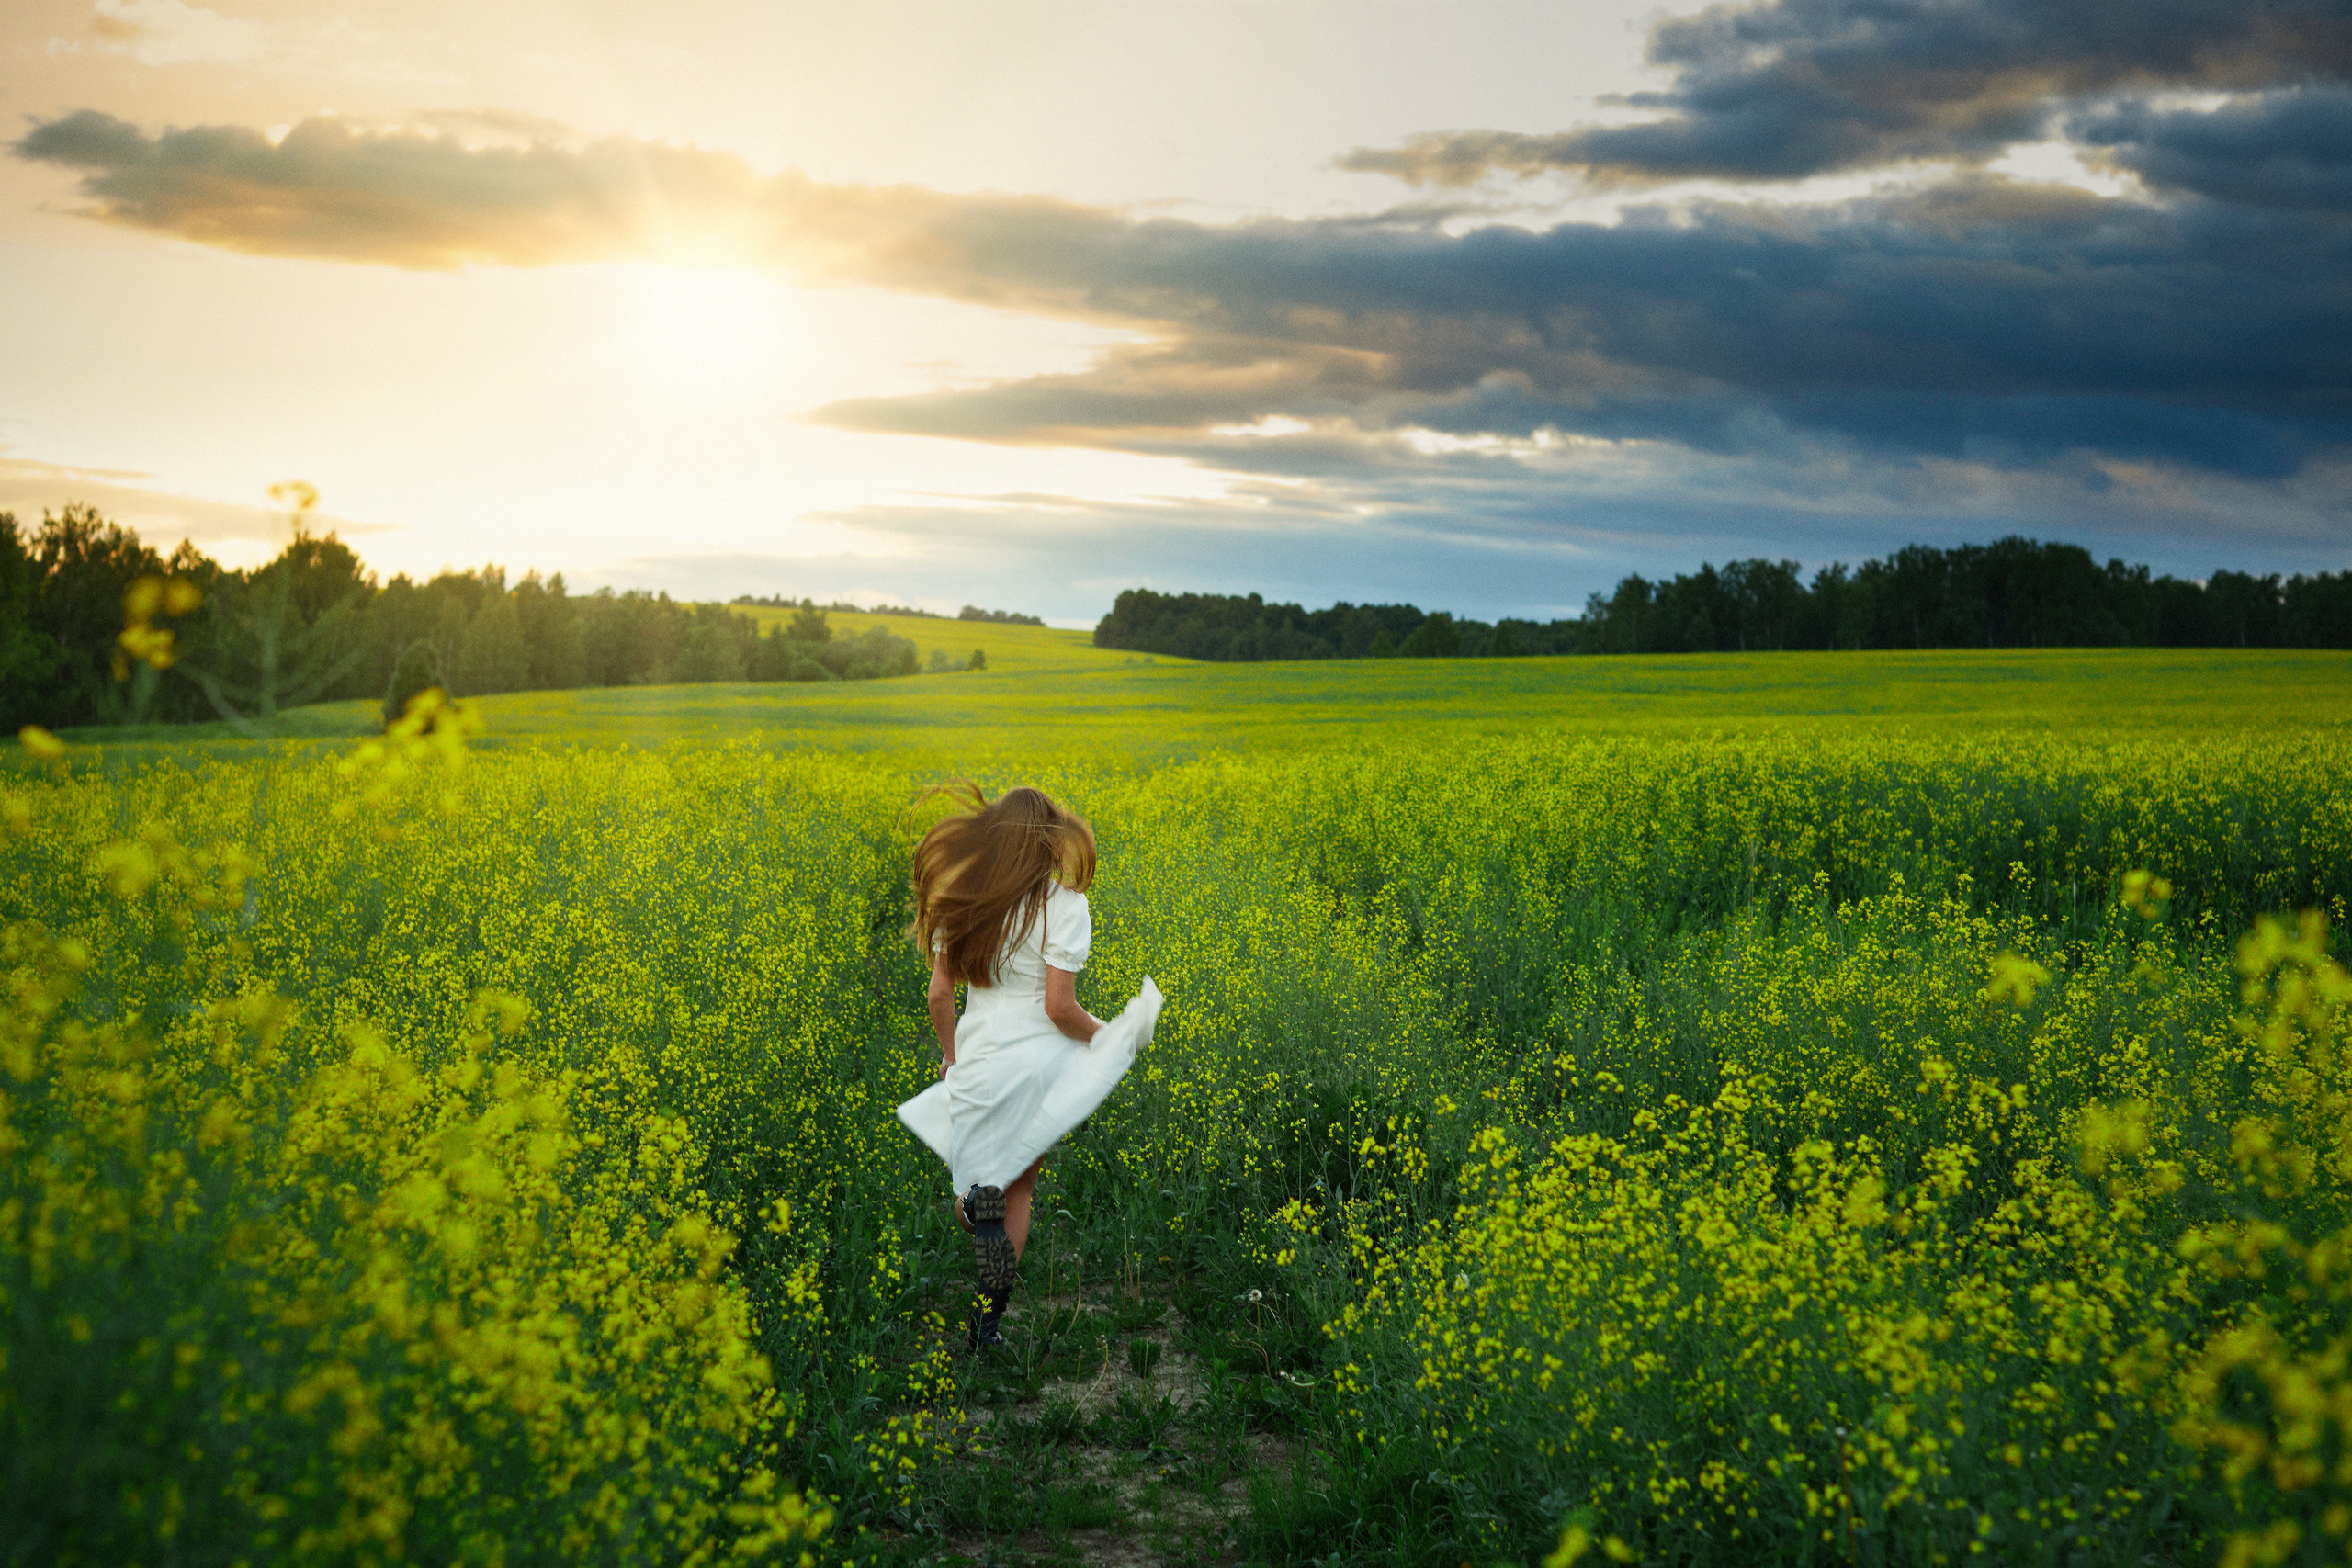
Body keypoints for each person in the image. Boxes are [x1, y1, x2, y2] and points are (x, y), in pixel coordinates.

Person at [894, 784, 1162, 1353]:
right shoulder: (1065, 905)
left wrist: (951, 1057)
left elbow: (940, 995)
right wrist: (1112, 1038)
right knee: (1018, 1190)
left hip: (982, 1058)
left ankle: (975, 1209)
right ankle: (986, 1329)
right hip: (1038, 1066)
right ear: (1046, 841)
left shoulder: (963, 896)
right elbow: (1059, 1009)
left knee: (977, 1188)